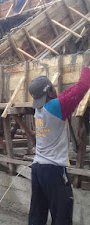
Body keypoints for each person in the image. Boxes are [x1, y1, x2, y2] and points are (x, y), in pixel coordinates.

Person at [28, 67, 90, 225]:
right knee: (62, 216)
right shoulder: (56, 107)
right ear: (49, 92)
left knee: (37, 216)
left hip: (38, 169)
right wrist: (86, 65)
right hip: (54, 171)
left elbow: (65, 96)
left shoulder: (39, 109)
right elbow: (83, 86)